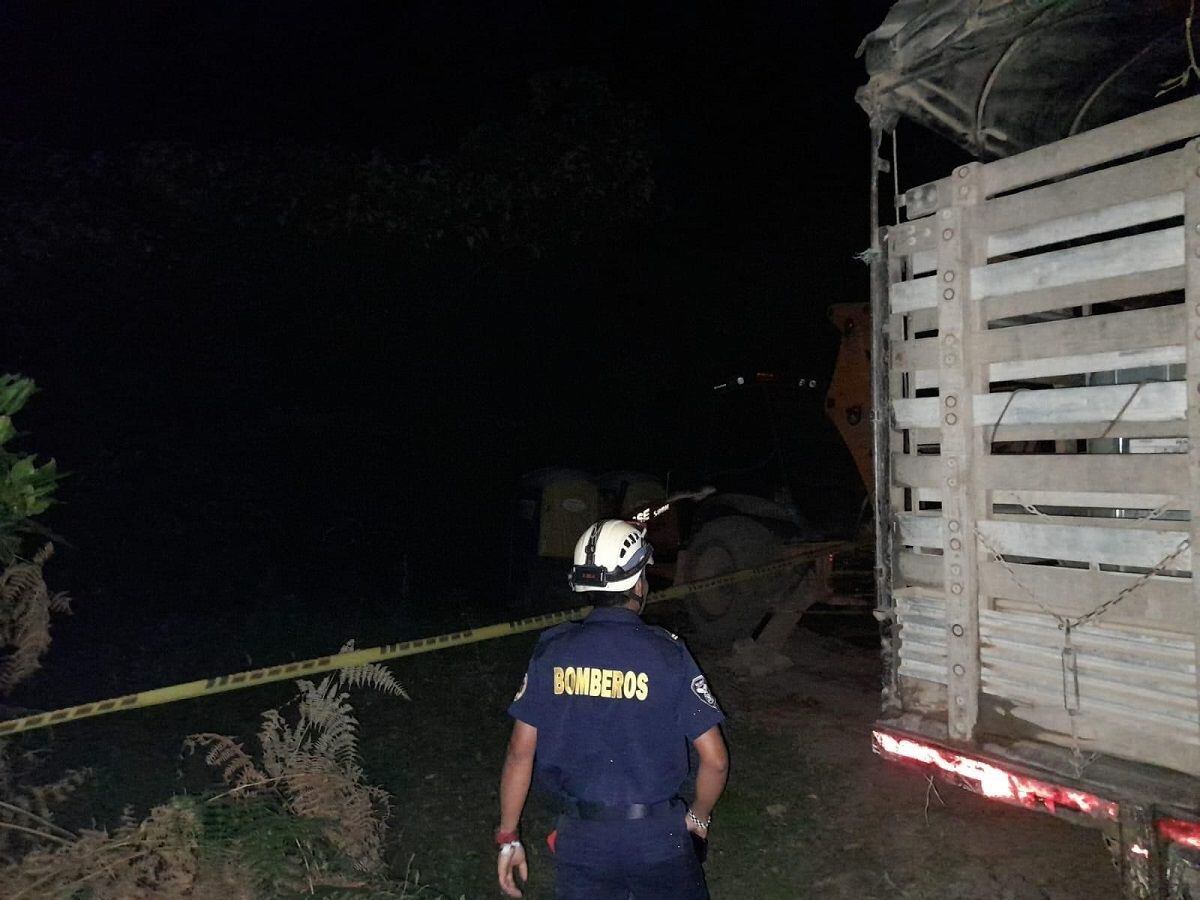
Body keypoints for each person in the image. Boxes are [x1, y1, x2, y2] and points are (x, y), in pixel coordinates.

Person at [495, 518, 729, 899]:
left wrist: (508, 837)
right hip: (658, 838)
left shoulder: (552, 651)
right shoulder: (667, 653)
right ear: (638, 584)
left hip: (581, 839)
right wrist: (699, 817)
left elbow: (520, 753)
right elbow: (715, 760)